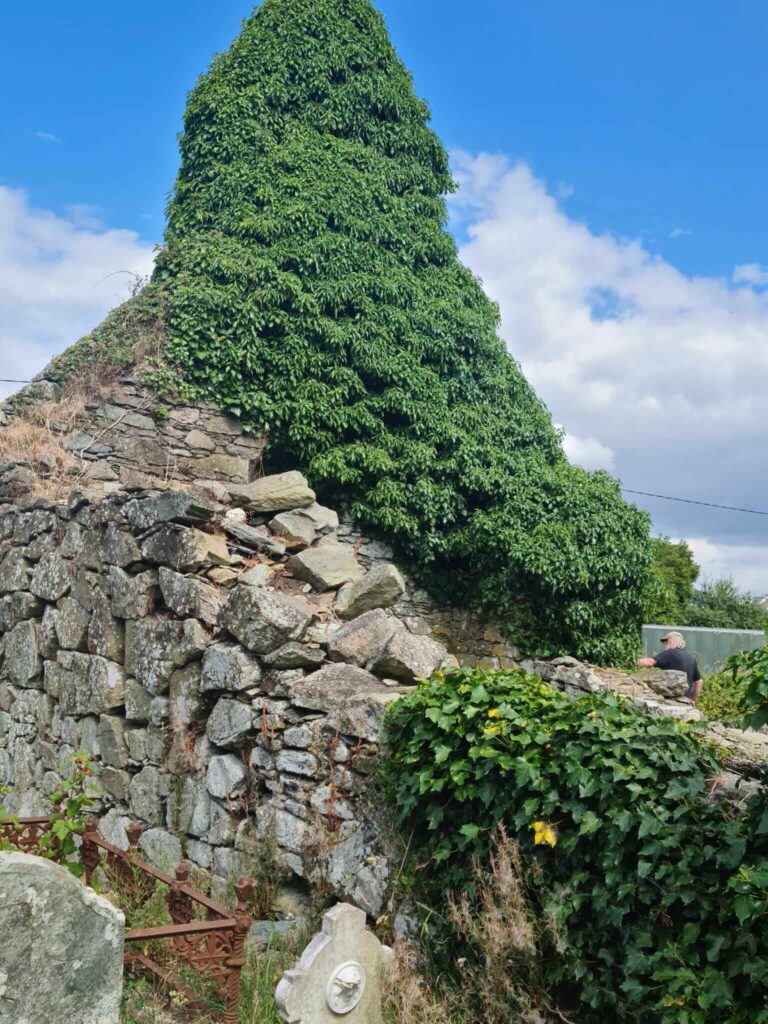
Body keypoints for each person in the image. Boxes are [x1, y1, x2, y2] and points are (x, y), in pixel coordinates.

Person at [638, 631, 703, 704]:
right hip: (686, 702)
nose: (664, 643)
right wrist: (693, 700)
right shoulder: (691, 658)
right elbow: (699, 682)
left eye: (666, 640)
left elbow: (650, 662)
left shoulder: (670, 653)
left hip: (672, 701)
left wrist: (632, 661)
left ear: (673, 640)